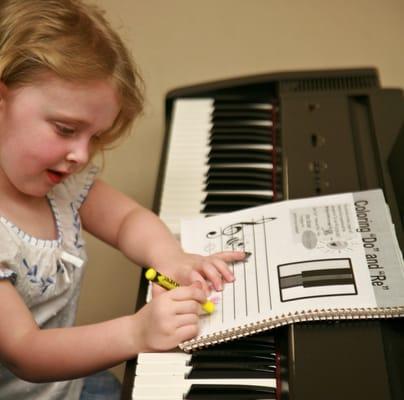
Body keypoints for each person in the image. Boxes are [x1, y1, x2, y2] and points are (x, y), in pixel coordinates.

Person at [0, 1, 247, 399]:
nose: (82, 154)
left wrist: (171, 258)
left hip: (70, 386)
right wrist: (137, 331)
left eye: (94, 136)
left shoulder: (61, 183)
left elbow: (126, 219)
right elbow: (25, 352)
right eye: (66, 129)